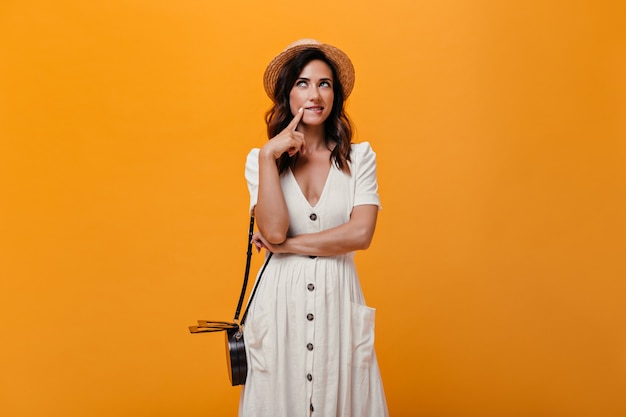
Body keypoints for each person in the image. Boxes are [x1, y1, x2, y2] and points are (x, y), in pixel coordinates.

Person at [241, 39, 389, 417]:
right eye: (303, 83)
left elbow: (361, 234)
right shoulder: (261, 160)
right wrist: (268, 156)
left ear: (335, 95)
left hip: (337, 297)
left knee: (342, 396)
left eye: (324, 84)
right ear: (286, 94)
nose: (314, 94)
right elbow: (273, 231)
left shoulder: (360, 157)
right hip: (279, 303)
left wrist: (289, 247)